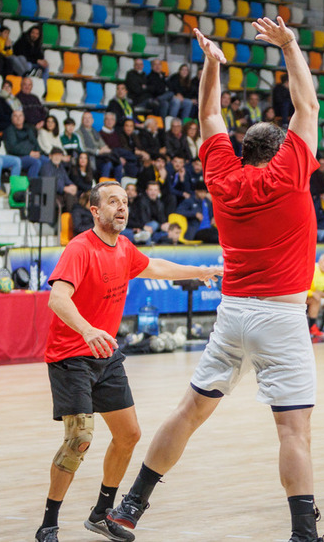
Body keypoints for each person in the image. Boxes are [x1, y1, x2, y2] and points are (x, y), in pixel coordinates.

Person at [109, 18, 324, 542]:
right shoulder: (290, 173)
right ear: (283, 148)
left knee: (188, 411)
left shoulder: (222, 177)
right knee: (293, 430)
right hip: (280, 314)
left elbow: (209, 112)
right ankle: (304, 533)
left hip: (232, 313)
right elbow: (308, 106)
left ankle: (129, 507)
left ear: (243, 149)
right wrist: (290, 45)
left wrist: (212, 65)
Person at [33, 180, 219, 542]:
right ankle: (48, 524)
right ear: (95, 210)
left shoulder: (124, 248)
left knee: (129, 435)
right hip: (71, 357)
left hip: (106, 357)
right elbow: (57, 298)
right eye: (113, 202)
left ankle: (101, 514)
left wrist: (197, 272)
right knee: (80, 439)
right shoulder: (79, 248)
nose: (121, 207)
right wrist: (87, 330)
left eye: (125, 202)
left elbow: (155, 267)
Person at [4, 109, 43, 177]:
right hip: (17, 157)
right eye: (15, 116)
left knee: (48, 161)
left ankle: (46, 185)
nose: (18, 118)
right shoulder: (9, 130)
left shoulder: (29, 128)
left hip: (32, 154)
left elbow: (35, 142)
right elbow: (13, 148)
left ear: (24, 118)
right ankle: (33, 185)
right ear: (12, 119)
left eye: (20, 116)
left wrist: (38, 152)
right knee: (36, 162)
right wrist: (29, 153)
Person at [128, 180, 169, 244]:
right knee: (154, 225)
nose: (153, 192)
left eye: (155, 190)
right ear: (147, 191)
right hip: (143, 227)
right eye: (151, 190)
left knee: (168, 233)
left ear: (158, 192)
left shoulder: (160, 203)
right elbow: (144, 221)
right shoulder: (141, 201)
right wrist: (159, 225)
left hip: (153, 230)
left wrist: (165, 225)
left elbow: (162, 219)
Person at [41, 147, 80, 214]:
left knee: (74, 196)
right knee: (70, 197)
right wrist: (64, 188)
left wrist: (73, 186)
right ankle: (68, 219)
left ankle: (72, 218)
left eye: (59, 156)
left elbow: (67, 180)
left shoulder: (61, 167)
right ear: (50, 156)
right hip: (51, 194)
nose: (57, 158)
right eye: (55, 155)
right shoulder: (46, 167)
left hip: (61, 194)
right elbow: (50, 183)